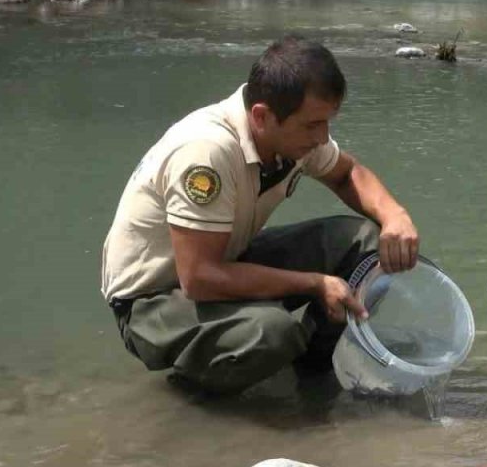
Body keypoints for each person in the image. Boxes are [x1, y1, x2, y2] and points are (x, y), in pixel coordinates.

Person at [100, 36, 419, 395]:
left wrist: (395, 215)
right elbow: (199, 278)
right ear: (262, 116)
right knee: (272, 332)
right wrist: (315, 283)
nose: (323, 137)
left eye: (327, 122)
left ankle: (313, 372)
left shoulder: (290, 136)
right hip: (152, 301)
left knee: (368, 242)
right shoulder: (207, 152)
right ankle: (193, 397)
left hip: (223, 258)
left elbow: (347, 173)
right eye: (313, 125)